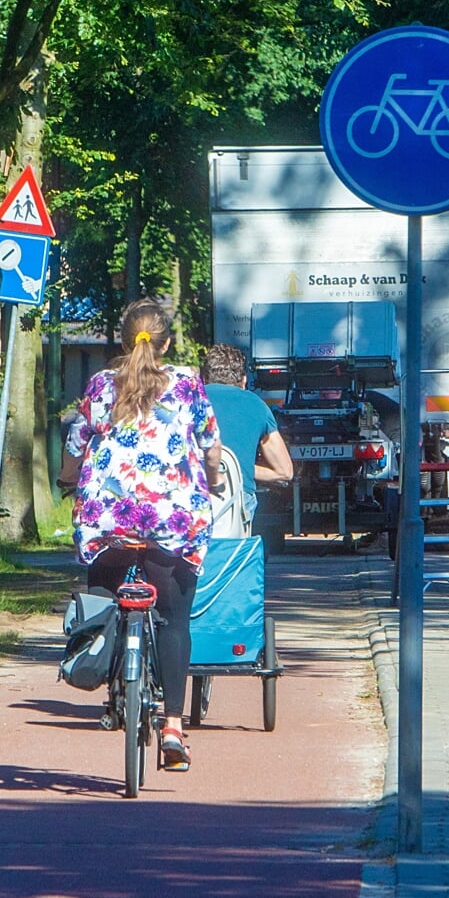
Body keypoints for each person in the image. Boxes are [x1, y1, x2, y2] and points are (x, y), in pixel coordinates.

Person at [59, 299, 220, 772]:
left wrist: (71, 479)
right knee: (173, 620)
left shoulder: (100, 386)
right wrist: (212, 479)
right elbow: (210, 446)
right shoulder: (188, 383)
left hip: (108, 522)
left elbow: (76, 445)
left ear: (124, 340)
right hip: (173, 522)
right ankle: (173, 725)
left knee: (107, 606)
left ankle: (113, 685)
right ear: (167, 342)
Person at [201, 343, 295, 528]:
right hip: (237, 499)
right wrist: (240, 469)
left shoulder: (188, 401)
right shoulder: (257, 405)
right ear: (243, 380)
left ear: (204, 378)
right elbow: (285, 471)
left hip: (194, 496)